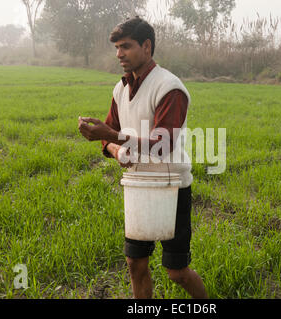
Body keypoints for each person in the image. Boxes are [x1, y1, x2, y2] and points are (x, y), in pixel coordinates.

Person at [78, 17, 207, 299]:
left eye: (126, 46)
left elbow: (162, 144)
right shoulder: (120, 88)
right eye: (116, 47)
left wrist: (114, 138)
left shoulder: (169, 88)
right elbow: (109, 135)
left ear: (146, 47)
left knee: (177, 272)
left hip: (171, 186)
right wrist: (117, 150)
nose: (119, 54)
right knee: (135, 263)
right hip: (137, 186)